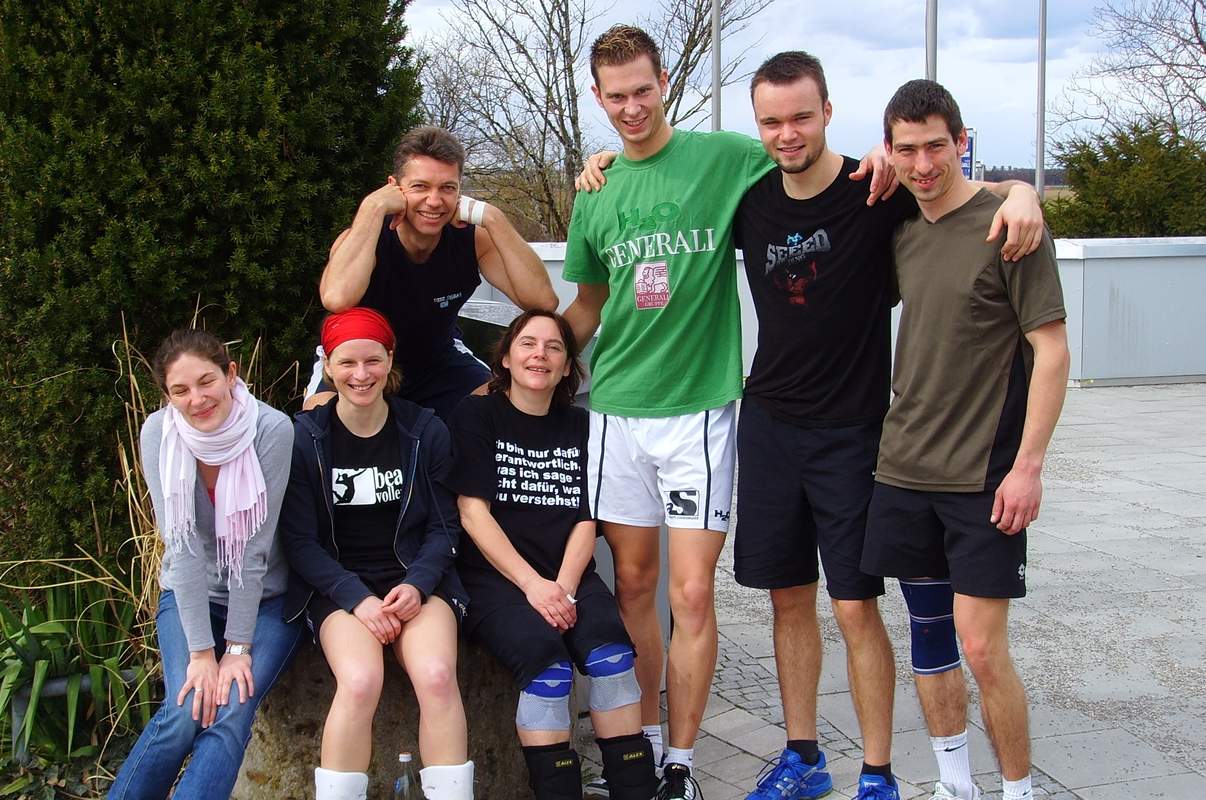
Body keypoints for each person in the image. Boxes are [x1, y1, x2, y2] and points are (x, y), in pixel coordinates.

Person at [730, 54, 1046, 800]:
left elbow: (956, 192)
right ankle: (803, 757)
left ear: (828, 111)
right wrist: (599, 165)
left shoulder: (876, 191)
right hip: (769, 424)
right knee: (786, 598)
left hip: (854, 431)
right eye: (771, 121)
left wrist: (1025, 190)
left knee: (853, 603)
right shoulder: (748, 200)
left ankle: (878, 773)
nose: (786, 133)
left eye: (801, 116)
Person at [560, 24, 782, 799]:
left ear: (665, 85)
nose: (632, 108)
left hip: (698, 414)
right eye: (617, 96)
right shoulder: (595, 191)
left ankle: (682, 765)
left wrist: (1009, 188)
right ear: (598, 98)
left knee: (690, 594)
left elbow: (811, 165)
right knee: (632, 585)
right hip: (617, 412)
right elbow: (588, 305)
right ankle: (645, 747)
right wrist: (525, 361)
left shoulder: (724, 158)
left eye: (643, 91)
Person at [862, 79, 1070, 800]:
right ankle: (955, 785)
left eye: (936, 147)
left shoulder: (1010, 227)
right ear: (891, 150)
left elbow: (1052, 352)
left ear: (961, 142)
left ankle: (1018, 791)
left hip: (983, 477)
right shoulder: (901, 229)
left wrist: (1028, 467)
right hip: (904, 468)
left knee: (981, 647)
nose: (923, 164)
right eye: (907, 150)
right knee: (929, 637)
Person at [445, 309, 659, 800]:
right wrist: (534, 587)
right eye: (527, 343)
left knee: (612, 656)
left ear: (566, 368)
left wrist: (562, 585)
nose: (539, 354)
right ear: (505, 357)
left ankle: (635, 790)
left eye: (554, 347)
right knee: (549, 670)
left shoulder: (581, 425)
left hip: (568, 575)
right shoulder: (476, 415)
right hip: (496, 580)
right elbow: (472, 513)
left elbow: (587, 516)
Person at [280, 307, 474, 800]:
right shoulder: (305, 438)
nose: (361, 374)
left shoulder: (424, 431)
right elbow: (299, 542)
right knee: (361, 680)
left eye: (372, 360)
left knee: (436, 675)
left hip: (416, 579)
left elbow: (445, 526)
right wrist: (358, 599)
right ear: (328, 366)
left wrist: (417, 584)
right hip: (339, 586)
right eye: (347, 363)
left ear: (390, 360)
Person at [109, 330, 300, 800]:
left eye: (206, 381)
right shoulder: (159, 433)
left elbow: (254, 550)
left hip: (267, 598)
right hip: (190, 592)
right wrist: (201, 653)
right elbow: (183, 547)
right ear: (167, 395)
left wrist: (236, 647)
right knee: (186, 707)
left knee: (232, 707)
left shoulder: (271, 429)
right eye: (180, 390)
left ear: (230, 374)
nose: (196, 399)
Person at [305, 125, 558, 419]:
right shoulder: (364, 238)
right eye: (420, 187)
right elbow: (336, 298)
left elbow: (542, 301)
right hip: (363, 363)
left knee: (501, 409)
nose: (434, 201)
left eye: (447, 188)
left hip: (439, 362)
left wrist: (493, 218)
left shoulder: (472, 240)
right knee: (320, 419)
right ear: (394, 187)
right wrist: (372, 207)